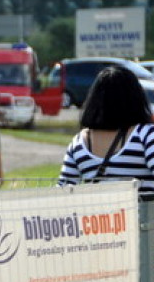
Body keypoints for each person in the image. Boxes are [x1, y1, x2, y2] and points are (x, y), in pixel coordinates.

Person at [58, 64, 154, 198]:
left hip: (99, 218)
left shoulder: (79, 142)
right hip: (143, 217)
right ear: (136, 98)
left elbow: (62, 191)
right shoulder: (146, 135)